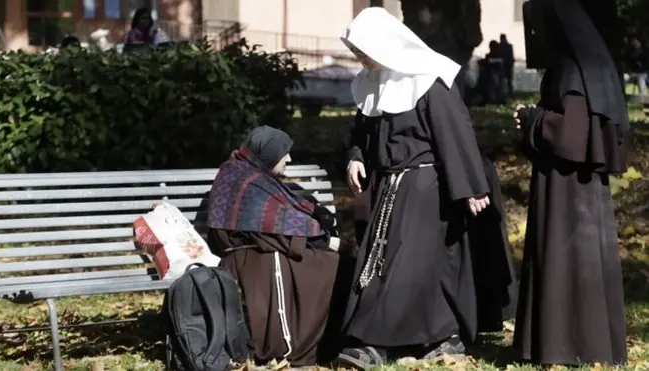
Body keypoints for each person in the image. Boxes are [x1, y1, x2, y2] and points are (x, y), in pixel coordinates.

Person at [336, 7, 517, 369]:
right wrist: (356, 157)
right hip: (389, 188)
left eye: (363, 51)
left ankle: (384, 340)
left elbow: (455, 133)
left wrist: (470, 188)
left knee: (412, 266)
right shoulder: (376, 83)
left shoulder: (428, 80)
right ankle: (415, 337)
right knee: (390, 263)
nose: (360, 59)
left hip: (426, 189)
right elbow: (363, 133)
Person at [513, 0, 629, 366]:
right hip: (582, 188)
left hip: (566, 187)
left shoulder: (569, 71)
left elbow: (570, 134)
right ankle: (588, 345)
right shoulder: (588, 69)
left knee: (564, 259)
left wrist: (532, 118)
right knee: (585, 263)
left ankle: (560, 345)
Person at [206, 126, 342, 367]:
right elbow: (270, 226)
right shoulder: (246, 180)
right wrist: (325, 240)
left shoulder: (249, 174)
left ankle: (328, 341)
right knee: (330, 265)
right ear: (269, 153)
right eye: (284, 152)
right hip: (252, 259)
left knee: (335, 262)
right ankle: (303, 345)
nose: (289, 158)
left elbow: (279, 221)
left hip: (267, 250)